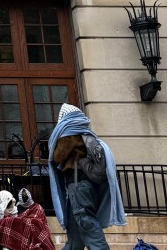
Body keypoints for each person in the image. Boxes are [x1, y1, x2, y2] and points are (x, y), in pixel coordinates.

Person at [48, 104, 125, 250]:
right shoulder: (84, 132)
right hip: (85, 186)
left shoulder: (69, 134)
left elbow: (58, 156)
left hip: (78, 185)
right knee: (75, 233)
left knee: (86, 224)